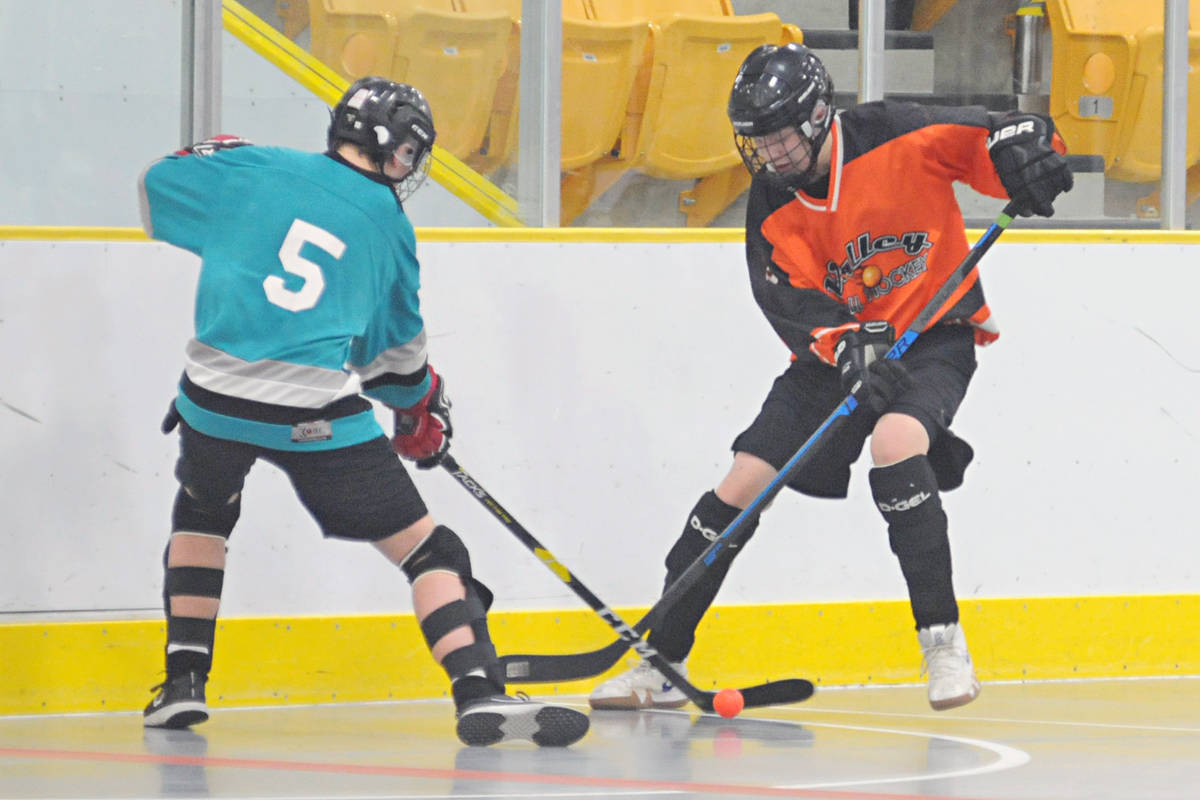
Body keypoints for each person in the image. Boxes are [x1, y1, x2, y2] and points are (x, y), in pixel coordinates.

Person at [590, 43, 1072, 712]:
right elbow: (788, 300)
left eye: (783, 137)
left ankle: (942, 640)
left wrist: (1032, 146)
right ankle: (659, 658)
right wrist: (849, 348)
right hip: (834, 361)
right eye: (760, 142)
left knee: (896, 445)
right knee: (742, 482)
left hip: (932, 339)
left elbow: (999, 140)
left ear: (819, 116)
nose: (772, 155)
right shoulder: (771, 203)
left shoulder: (896, 133)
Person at [137, 76, 590, 747]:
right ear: (397, 151)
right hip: (308, 412)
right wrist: (417, 416)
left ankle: (182, 685)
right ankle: (477, 690)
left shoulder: (255, 165)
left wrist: (210, 156)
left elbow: (156, 189)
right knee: (432, 549)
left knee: (203, 511)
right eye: (410, 153)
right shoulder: (387, 225)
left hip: (210, 401)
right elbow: (396, 363)